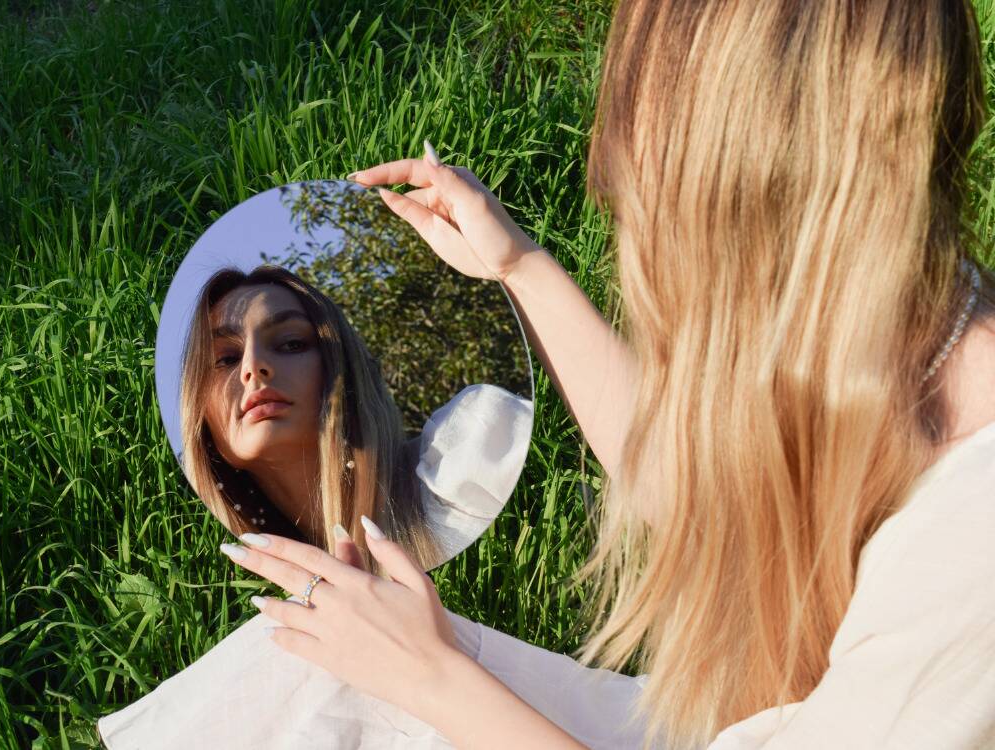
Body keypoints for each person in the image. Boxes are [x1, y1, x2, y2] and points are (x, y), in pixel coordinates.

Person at [209, 2, 995, 749]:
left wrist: (429, 676)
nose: (613, 170)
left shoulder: (974, 542)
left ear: (751, 188)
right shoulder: (911, 323)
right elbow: (702, 488)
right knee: (306, 666)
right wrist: (518, 267)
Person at [177, 263, 532, 574]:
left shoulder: (469, 456)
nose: (253, 367)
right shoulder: (218, 572)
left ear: (340, 368)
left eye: (290, 343)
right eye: (225, 359)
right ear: (199, 411)